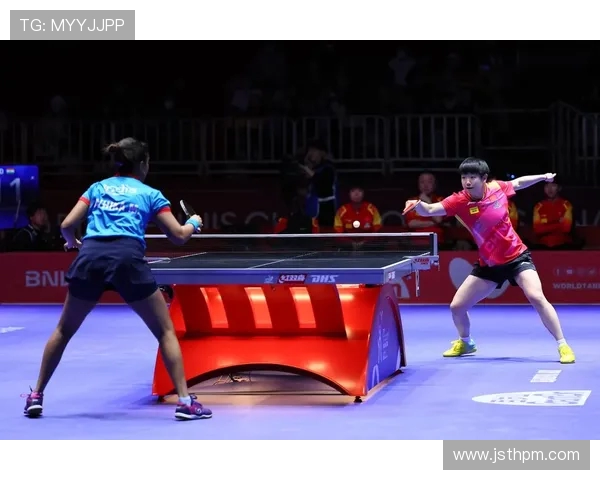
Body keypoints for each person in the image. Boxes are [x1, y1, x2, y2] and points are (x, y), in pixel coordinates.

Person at [23, 137, 213, 420]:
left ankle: (36, 395)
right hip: (127, 260)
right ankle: (185, 403)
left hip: (91, 258)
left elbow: (66, 225)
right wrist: (193, 223)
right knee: (165, 331)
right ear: (143, 164)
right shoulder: (150, 194)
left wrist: (73, 242)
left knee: (63, 330)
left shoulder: (97, 188)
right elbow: (178, 236)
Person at [404, 157, 575, 364]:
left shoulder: (497, 188)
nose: (467, 181)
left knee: (536, 297)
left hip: (516, 257)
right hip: (489, 264)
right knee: (457, 307)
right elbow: (431, 210)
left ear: (484, 178)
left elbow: (519, 182)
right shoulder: (459, 200)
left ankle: (563, 345)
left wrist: (543, 177)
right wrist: (417, 205)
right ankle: (466, 342)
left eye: (472, 177)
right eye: (464, 177)